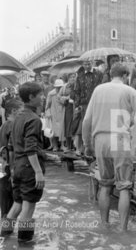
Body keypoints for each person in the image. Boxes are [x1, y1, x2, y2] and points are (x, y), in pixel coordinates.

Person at [82, 63, 136, 232]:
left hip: (100, 139)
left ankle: (104, 225)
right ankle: (123, 231)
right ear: (125, 76)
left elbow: (86, 121)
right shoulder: (129, 91)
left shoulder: (98, 90)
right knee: (124, 186)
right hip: (119, 139)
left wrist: (87, 145)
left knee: (105, 185)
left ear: (110, 74)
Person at [0, 82, 45, 243]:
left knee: (17, 204)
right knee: (28, 206)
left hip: (17, 167)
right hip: (29, 169)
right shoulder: (34, 119)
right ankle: (24, 242)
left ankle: (4, 235)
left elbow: (12, 145)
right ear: (31, 97)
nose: (43, 97)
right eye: (40, 95)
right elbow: (31, 148)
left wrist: (12, 169)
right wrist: (38, 172)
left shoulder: (17, 117)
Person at [74, 59, 103, 156]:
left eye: (89, 63)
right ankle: (85, 148)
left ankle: (95, 148)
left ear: (92, 64)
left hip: (96, 103)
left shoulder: (98, 73)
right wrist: (77, 105)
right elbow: (77, 91)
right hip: (84, 104)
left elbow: (101, 86)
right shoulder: (80, 76)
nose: (87, 65)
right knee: (85, 125)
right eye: (85, 64)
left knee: (96, 124)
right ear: (83, 65)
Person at [0, 99, 23, 217]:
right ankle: (7, 231)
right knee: (16, 204)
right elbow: (11, 150)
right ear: (14, 111)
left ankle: (6, 231)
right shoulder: (13, 126)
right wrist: (14, 170)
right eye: (21, 110)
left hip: (3, 167)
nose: (23, 112)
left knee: (5, 202)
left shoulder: (3, 126)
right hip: (10, 167)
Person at [46, 79, 66, 151]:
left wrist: (62, 98)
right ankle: (55, 146)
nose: (59, 88)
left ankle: (62, 145)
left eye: (60, 87)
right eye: (58, 87)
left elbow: (65, 103)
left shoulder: (64, 93)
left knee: (62, 129)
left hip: (62, 112)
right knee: (53, 130)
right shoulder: (51, 94)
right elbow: (47, 105)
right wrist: (48, 112)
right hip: (53, 113)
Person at [58, 73, 76, 151]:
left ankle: (76, 146)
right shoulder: (64, 87)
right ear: (68, 78)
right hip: (67, 108)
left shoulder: (77, 86)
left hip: (76, 107)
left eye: (74, 77)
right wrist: (65, 98)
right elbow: (58, 96)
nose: (73, 78)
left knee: (75, 126)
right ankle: (68, 146)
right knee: (67, 127)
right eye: (71, 77)